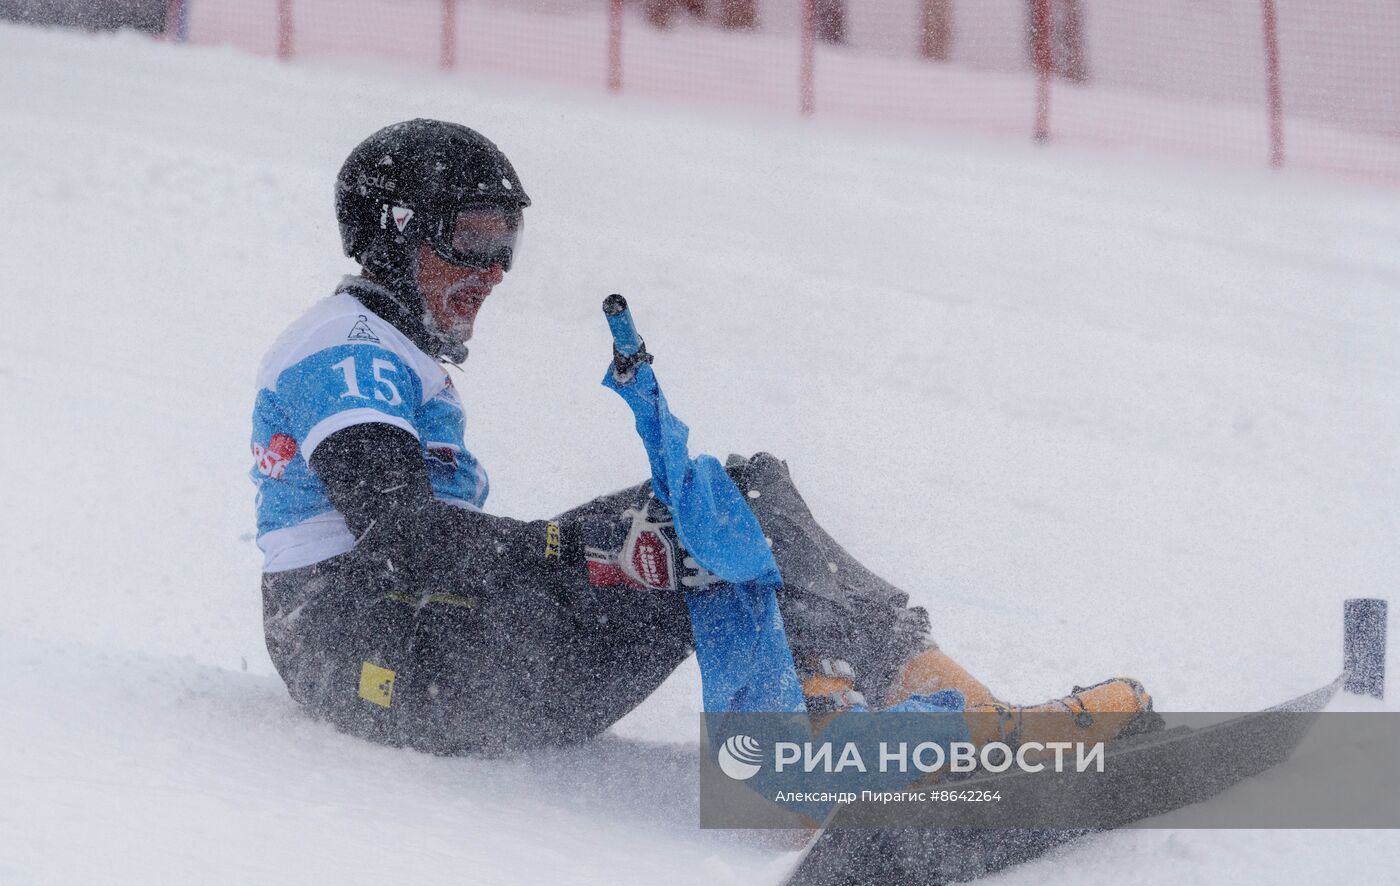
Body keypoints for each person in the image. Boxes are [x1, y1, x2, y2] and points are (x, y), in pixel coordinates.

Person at [251, 118, 1156, 758]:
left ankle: (889, 703)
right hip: (383, 659)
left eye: (507, 244)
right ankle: (863, 731)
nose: (493, 273)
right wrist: (577, 551)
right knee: (713, 511)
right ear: (391, 237)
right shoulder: (349, 355)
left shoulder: (386, 351)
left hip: (413, 650)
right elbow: (406, 537)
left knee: (725, 498)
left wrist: (594, 554)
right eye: (471, 243)